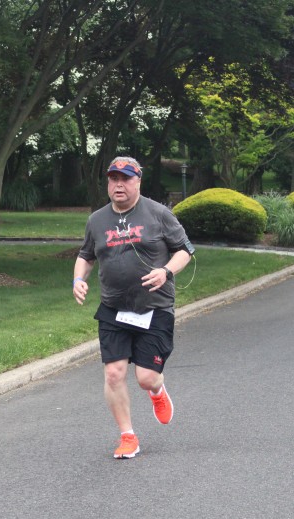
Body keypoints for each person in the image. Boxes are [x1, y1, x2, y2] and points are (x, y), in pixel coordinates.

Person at [72, 156, 195, 459]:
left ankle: (157, 390)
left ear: (138, 181)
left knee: (146, 377)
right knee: (113, 374)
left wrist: (166, 271)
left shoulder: (158, 214)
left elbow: (185, 250)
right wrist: (78, 279)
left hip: (154, 307)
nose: (119, 184)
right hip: (114, 308)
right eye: (113, 179)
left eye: (125, 179)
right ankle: (128, 436)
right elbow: (86, 255)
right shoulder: (96, 220)